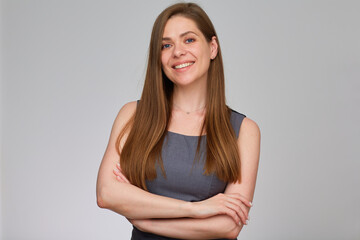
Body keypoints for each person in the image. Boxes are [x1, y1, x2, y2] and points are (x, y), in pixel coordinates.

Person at [96, 2, 260, 239]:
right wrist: (196, 209)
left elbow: (228, 226)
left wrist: (147, 222)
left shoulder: (245, 130)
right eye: (166, 45)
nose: (178, 51)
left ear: (213, 47)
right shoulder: (132, 116)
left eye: (189, 40)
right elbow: (106, 193)